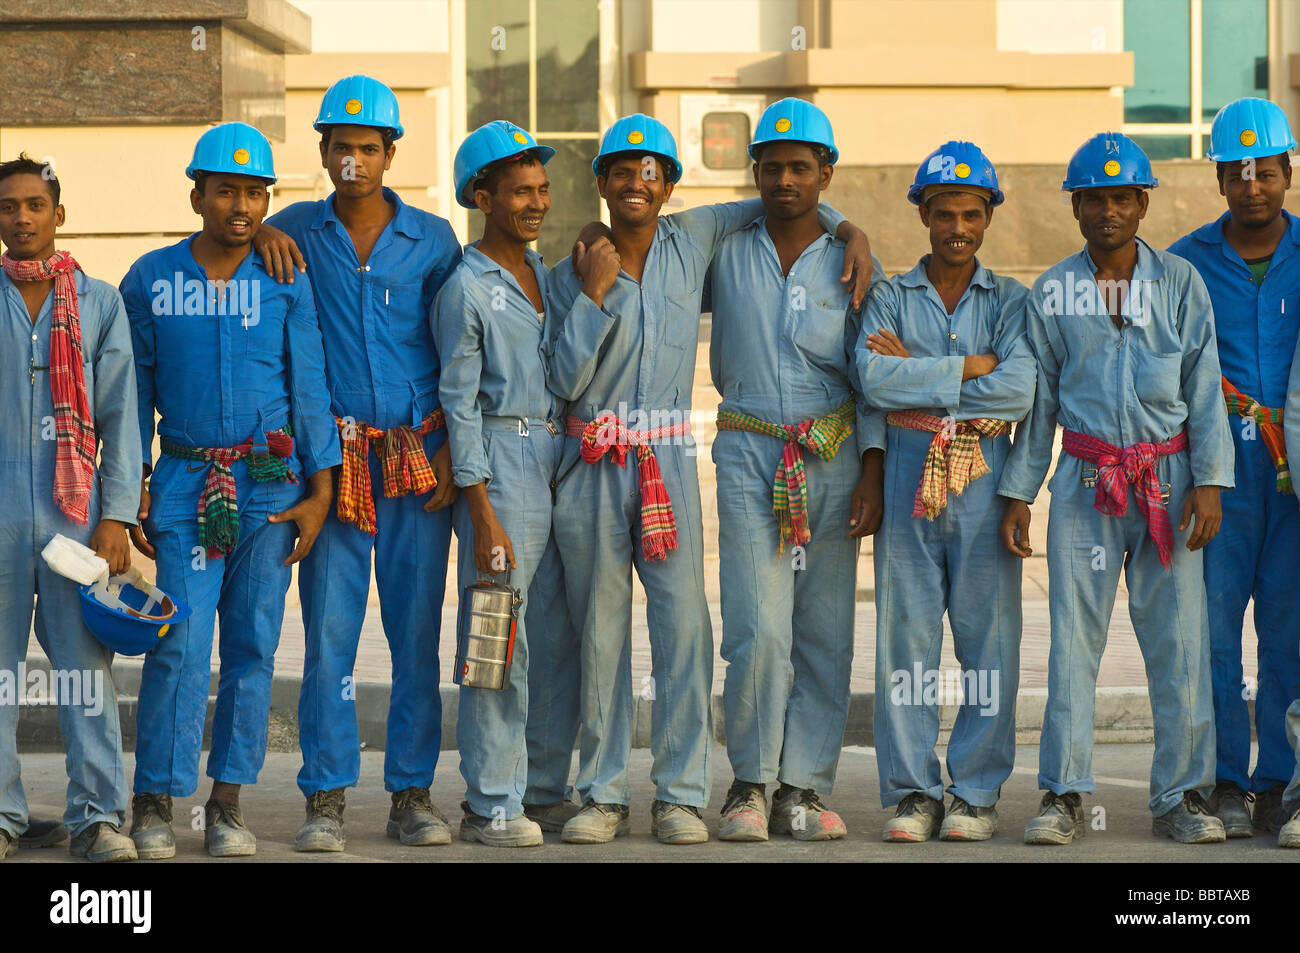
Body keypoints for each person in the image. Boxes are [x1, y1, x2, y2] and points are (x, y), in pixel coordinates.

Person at [545, 113, 874, 845]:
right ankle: (603, 792)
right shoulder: (575, 266)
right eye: (622, 170)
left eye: (652, 169)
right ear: (599, 182)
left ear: (672, 183)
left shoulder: (695, 239)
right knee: (607, 632)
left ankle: (683, 795)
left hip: (674, 458)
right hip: (600, 459)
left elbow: (798, 199)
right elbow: (560, 379)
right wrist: (595, 290)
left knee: (687, 629)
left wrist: (855, 230)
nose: (638, 182)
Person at [998, 132, 1233, 845]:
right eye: (1093, 198)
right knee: (1072, 641)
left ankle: (1184, 796)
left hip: (1170, 482)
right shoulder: (1053, 293)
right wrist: (1020, 490)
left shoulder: (1182, 284)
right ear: (1075, 207)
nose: (1108, 211)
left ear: (1142, 203)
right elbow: (1039, 403)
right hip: (1085, 482)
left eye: (1121, 197)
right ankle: (1063, 794)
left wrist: (1211, 482)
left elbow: (1204, 389)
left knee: (1180, 643)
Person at [255, 75, 463, 851]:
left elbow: (457, 349)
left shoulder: (434, 240)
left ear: (390, 154)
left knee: (415, 634)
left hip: (416, 457)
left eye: (368, 147)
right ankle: (326, 795)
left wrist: (451, 453)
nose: (353, 159)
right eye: (340, 146)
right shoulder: (296, 231)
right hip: (334, 466)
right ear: (324, 151)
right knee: (330, 637)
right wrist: (266, 231)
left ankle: (412, 792)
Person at [121, 122, 339, 858]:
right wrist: (134, 489)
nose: (240, 205)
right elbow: (134, 393)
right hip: (185, 482)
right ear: (197, 196)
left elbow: (308, 386)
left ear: (266, 199)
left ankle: (228, 804)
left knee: (252, 644)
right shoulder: (151, 279)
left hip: (270, 487)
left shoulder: (285, 277)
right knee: (178, 641)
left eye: (254, 192)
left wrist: (321, 489)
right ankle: (153, 799)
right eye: (225, 191)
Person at [706, 98, 883, 843]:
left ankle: (802, 786)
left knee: (824, 630)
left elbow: (876, 370)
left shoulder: (853, 262)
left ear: (825, 172)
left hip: (833, 453)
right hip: (749, 451)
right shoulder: (724, 249)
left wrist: (871, 469)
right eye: (771, 165)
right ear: (756, 172)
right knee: (755, 626)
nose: (785, 178)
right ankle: (749, 782)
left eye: (800, 167)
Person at [857, 141, 1033, 843]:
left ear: (987, 217)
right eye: (942, 213)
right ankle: (911, 791)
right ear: (922, 216)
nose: (956, 226)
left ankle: (976, 791)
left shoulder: (1014, 301)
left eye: (970, 213)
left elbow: (1018, 389)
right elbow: (871, 379)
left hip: (984, 476)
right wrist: (971, 368)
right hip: (907, 474)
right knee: (905, 638)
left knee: (988, 641)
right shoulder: (887, 297)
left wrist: (924, 371)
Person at [0, 153, 142, 863]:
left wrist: (115, 515)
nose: (21, 217)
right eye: (7, 206)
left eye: (34, 204)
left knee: (85, 672)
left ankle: (96, 817)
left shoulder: (98, 302)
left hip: (74, 522)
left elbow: (122, 417)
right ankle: (2, 814)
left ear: (60, 213)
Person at [434, 120, 569, 846]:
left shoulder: (543, 274)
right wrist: (480, 509)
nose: (536, 202)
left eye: (543, 189)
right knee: (496, 631)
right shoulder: (466, 287)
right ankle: (490, 802)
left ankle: (536, 786)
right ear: (481, 196)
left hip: (554, 455)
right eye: (520, 191)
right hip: (501, 463)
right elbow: (459, 405)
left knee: (546, 635)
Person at [1168, 97, 1300, 838]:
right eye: (1237, 173)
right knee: (1212, 631)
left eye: (1266, 172)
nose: (1252, 186)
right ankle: (1226, 780)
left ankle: (1279, 778)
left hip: (1294, 478)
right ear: (1219, 179)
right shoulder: (1185, 262)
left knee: (1287, 629)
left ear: (1287, 173)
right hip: (1215, 474)